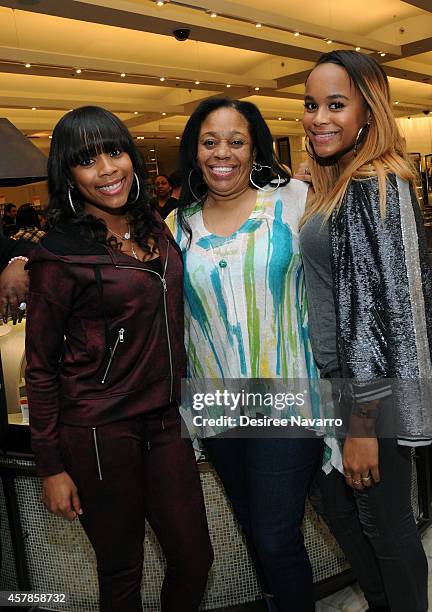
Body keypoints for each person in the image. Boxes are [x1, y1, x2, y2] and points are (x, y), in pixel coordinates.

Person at [25, 106, 213, 612]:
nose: (108, 169)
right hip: (97, 430)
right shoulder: (58, 256)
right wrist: (50, 467)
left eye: (115, 151)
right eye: (88, 160)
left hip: (164, 420)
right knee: (122, 571)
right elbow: (40, 367)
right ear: (68, 174)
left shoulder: (155, 226)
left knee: (195, 558)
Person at [167, 97, 323, 612]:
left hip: (287, 398)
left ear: (253, 146)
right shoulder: (177, 226)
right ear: (195, 151)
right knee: (254, 529)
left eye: (236, 141)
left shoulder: (294, 199)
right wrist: (17, 256)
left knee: (277, 536)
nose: (223, 153)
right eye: (210, 142)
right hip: (217, 407)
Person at [298, 50, 432, 612]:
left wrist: (361, 422)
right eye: (310, 105)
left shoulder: (378, 184)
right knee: (349, 516)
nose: (319, 118)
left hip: (369, 395)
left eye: (336, 105)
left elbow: (390, 318)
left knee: (386, 525)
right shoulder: (342, 185)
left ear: (367, 115)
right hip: (338, 386)